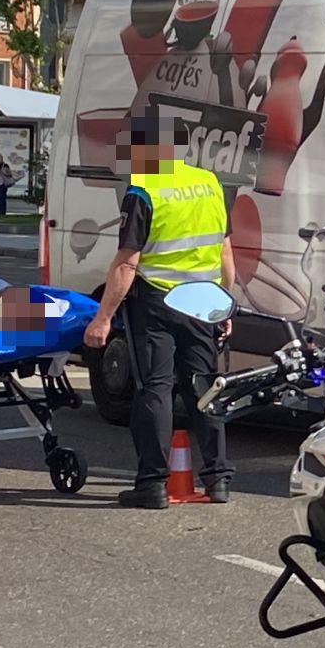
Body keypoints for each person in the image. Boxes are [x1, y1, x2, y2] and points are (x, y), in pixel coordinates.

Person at [84, 113, 237, 508]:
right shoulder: (210, 184)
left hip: (158, 301)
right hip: (203, 301)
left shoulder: (145, 189)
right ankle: (218, 479)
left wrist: (102, 318)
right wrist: (226, 306)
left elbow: (127, 262)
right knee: (204, 387)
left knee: (156, 389)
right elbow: (225, 255)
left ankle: (152, 484)